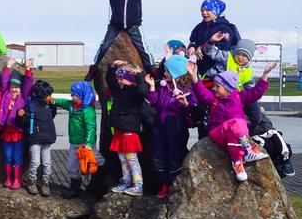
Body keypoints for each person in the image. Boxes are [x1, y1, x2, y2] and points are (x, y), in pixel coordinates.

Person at [65, 0, 177, 80]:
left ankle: (151, 69)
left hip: (134, 26)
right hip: (115, 26)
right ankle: (94, 68)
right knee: (103, 46)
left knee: (143, 48)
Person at [189, 61, 275, 182]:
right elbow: (201, 93)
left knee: (235, 130)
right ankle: (248, 149)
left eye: (217, 86)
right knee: (238, 122)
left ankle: (237, 163)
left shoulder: (239, 97)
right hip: (217, 132)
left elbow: (256, 92)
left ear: (228, 87)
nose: (214, 88)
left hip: (234, 135)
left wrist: (265, 74)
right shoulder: (213, 99)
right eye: (214, 85)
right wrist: (194, 77)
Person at [144, 54, 195, 199]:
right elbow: (154, 103)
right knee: (159, 156)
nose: (164, 73)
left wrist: (186, 104)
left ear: (176, 73)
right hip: (160, 126)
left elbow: (191, 107)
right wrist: (153, 87)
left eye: (167, 71)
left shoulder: (186, 89)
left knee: (175, 156)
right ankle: (164, 185)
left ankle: (174, 184)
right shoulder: (164, 87)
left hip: (176, 127)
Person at [105, 61, 150, 196]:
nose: (118, 81)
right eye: (118, 78)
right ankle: (126, 180)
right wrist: (112, 67)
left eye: (121, 78)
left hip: (129, 131)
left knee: (131, 159)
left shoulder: (136, 92)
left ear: (130, 79)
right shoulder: (119, 90)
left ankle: (138, 184)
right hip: (119, 129)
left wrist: (139, 75)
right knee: (122, 158)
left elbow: (143, 91)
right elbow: (110, 80)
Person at [55, 81, 99, 199]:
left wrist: (89, 143)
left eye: (73, 94)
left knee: (93, 163)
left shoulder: (87, 111)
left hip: (85, 145)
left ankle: (104, 178)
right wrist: (52, 100)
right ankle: (75, 188)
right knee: (72, 165)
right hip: (74, 143)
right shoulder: (71, 105)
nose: (71, 96)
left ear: (81, 95)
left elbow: (91, 128)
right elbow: (62, 102)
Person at [0, 60, 34, 190]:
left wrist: (28, 69)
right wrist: (7, 66)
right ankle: (8, 178)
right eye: (12, 86)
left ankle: (17, 180)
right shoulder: (6, 94)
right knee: (8, 157)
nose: (14, 89)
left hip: (18, 132)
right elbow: (4, 81)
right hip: (6, 132)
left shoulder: (23, 96)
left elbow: (28, 84)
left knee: (17, 158)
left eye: (17, 87)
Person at [188, 0, 240, 76]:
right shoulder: (199, 27)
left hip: (219, 73)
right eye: (202, 10)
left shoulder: (225, 28)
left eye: (208, 10)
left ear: (216, 10)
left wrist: (202, 48)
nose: (204, 13)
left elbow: (223, 54)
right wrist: (192, 47)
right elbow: (193, 41)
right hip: (201, 71)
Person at [24, 80, 58, 197]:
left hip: (47, 140)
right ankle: (31, 181)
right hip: (35, 140)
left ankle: (45, 183)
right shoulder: (31, 106)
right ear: (42, 96)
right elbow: (24, 121)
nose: (51, 97)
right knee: (35, 162)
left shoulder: (47, 106)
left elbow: (51, 116)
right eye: (49, 95)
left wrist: (53, 106)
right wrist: (21, 115)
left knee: (47, 163)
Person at [246, 103, 295, 178]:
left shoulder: (251, 103)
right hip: (251, 131)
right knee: (267, 145)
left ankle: (285, 161)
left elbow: (263, 120)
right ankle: (276, 165)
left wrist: (269, 129)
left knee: (279, 141)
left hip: (264, 127)